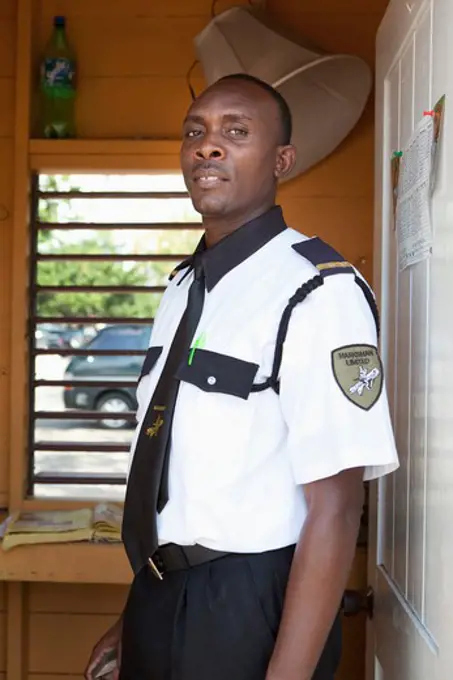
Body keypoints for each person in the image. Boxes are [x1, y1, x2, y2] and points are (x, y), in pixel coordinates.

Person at [85, 73, 399, 680]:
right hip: (158, 591)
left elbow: (335, 507)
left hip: (249, 601)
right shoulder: (182, 287)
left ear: (282, 159)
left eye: (236, 131)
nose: (208, 146)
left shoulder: (316, 290)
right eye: (194, 132)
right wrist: (133, 620)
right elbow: (176, 481)